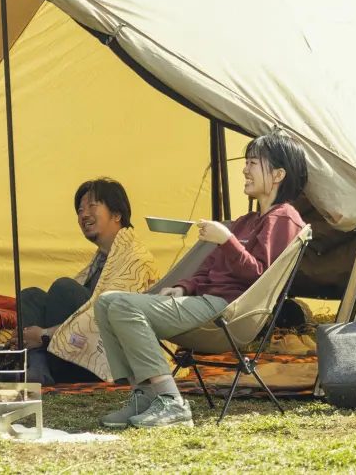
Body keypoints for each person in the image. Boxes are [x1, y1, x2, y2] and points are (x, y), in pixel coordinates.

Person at [95, 128, 308, 428]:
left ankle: (171, 401)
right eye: (246, 162)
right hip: (204, 303)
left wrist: (227, 240)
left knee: (123, 307)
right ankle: (143, 394)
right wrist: (184, 287)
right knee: (106, 302)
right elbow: (210, 268)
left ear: (278, 175)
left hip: (228, 311)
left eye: (253, 162)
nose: (245, 169)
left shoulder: (283, 218)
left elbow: (260, 277)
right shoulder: (247, 221)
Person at [19, 179, 158, 385]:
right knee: (30, 296)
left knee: (64, 289)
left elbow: (110, 316)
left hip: (110, 362)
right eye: (80, 210)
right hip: (76, 350)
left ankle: (41, 366)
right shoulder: (103, 259)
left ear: (117, 214)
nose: (83, 215)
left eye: (92, 206)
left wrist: (45, 335)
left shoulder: (136, 259)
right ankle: (39, 368)